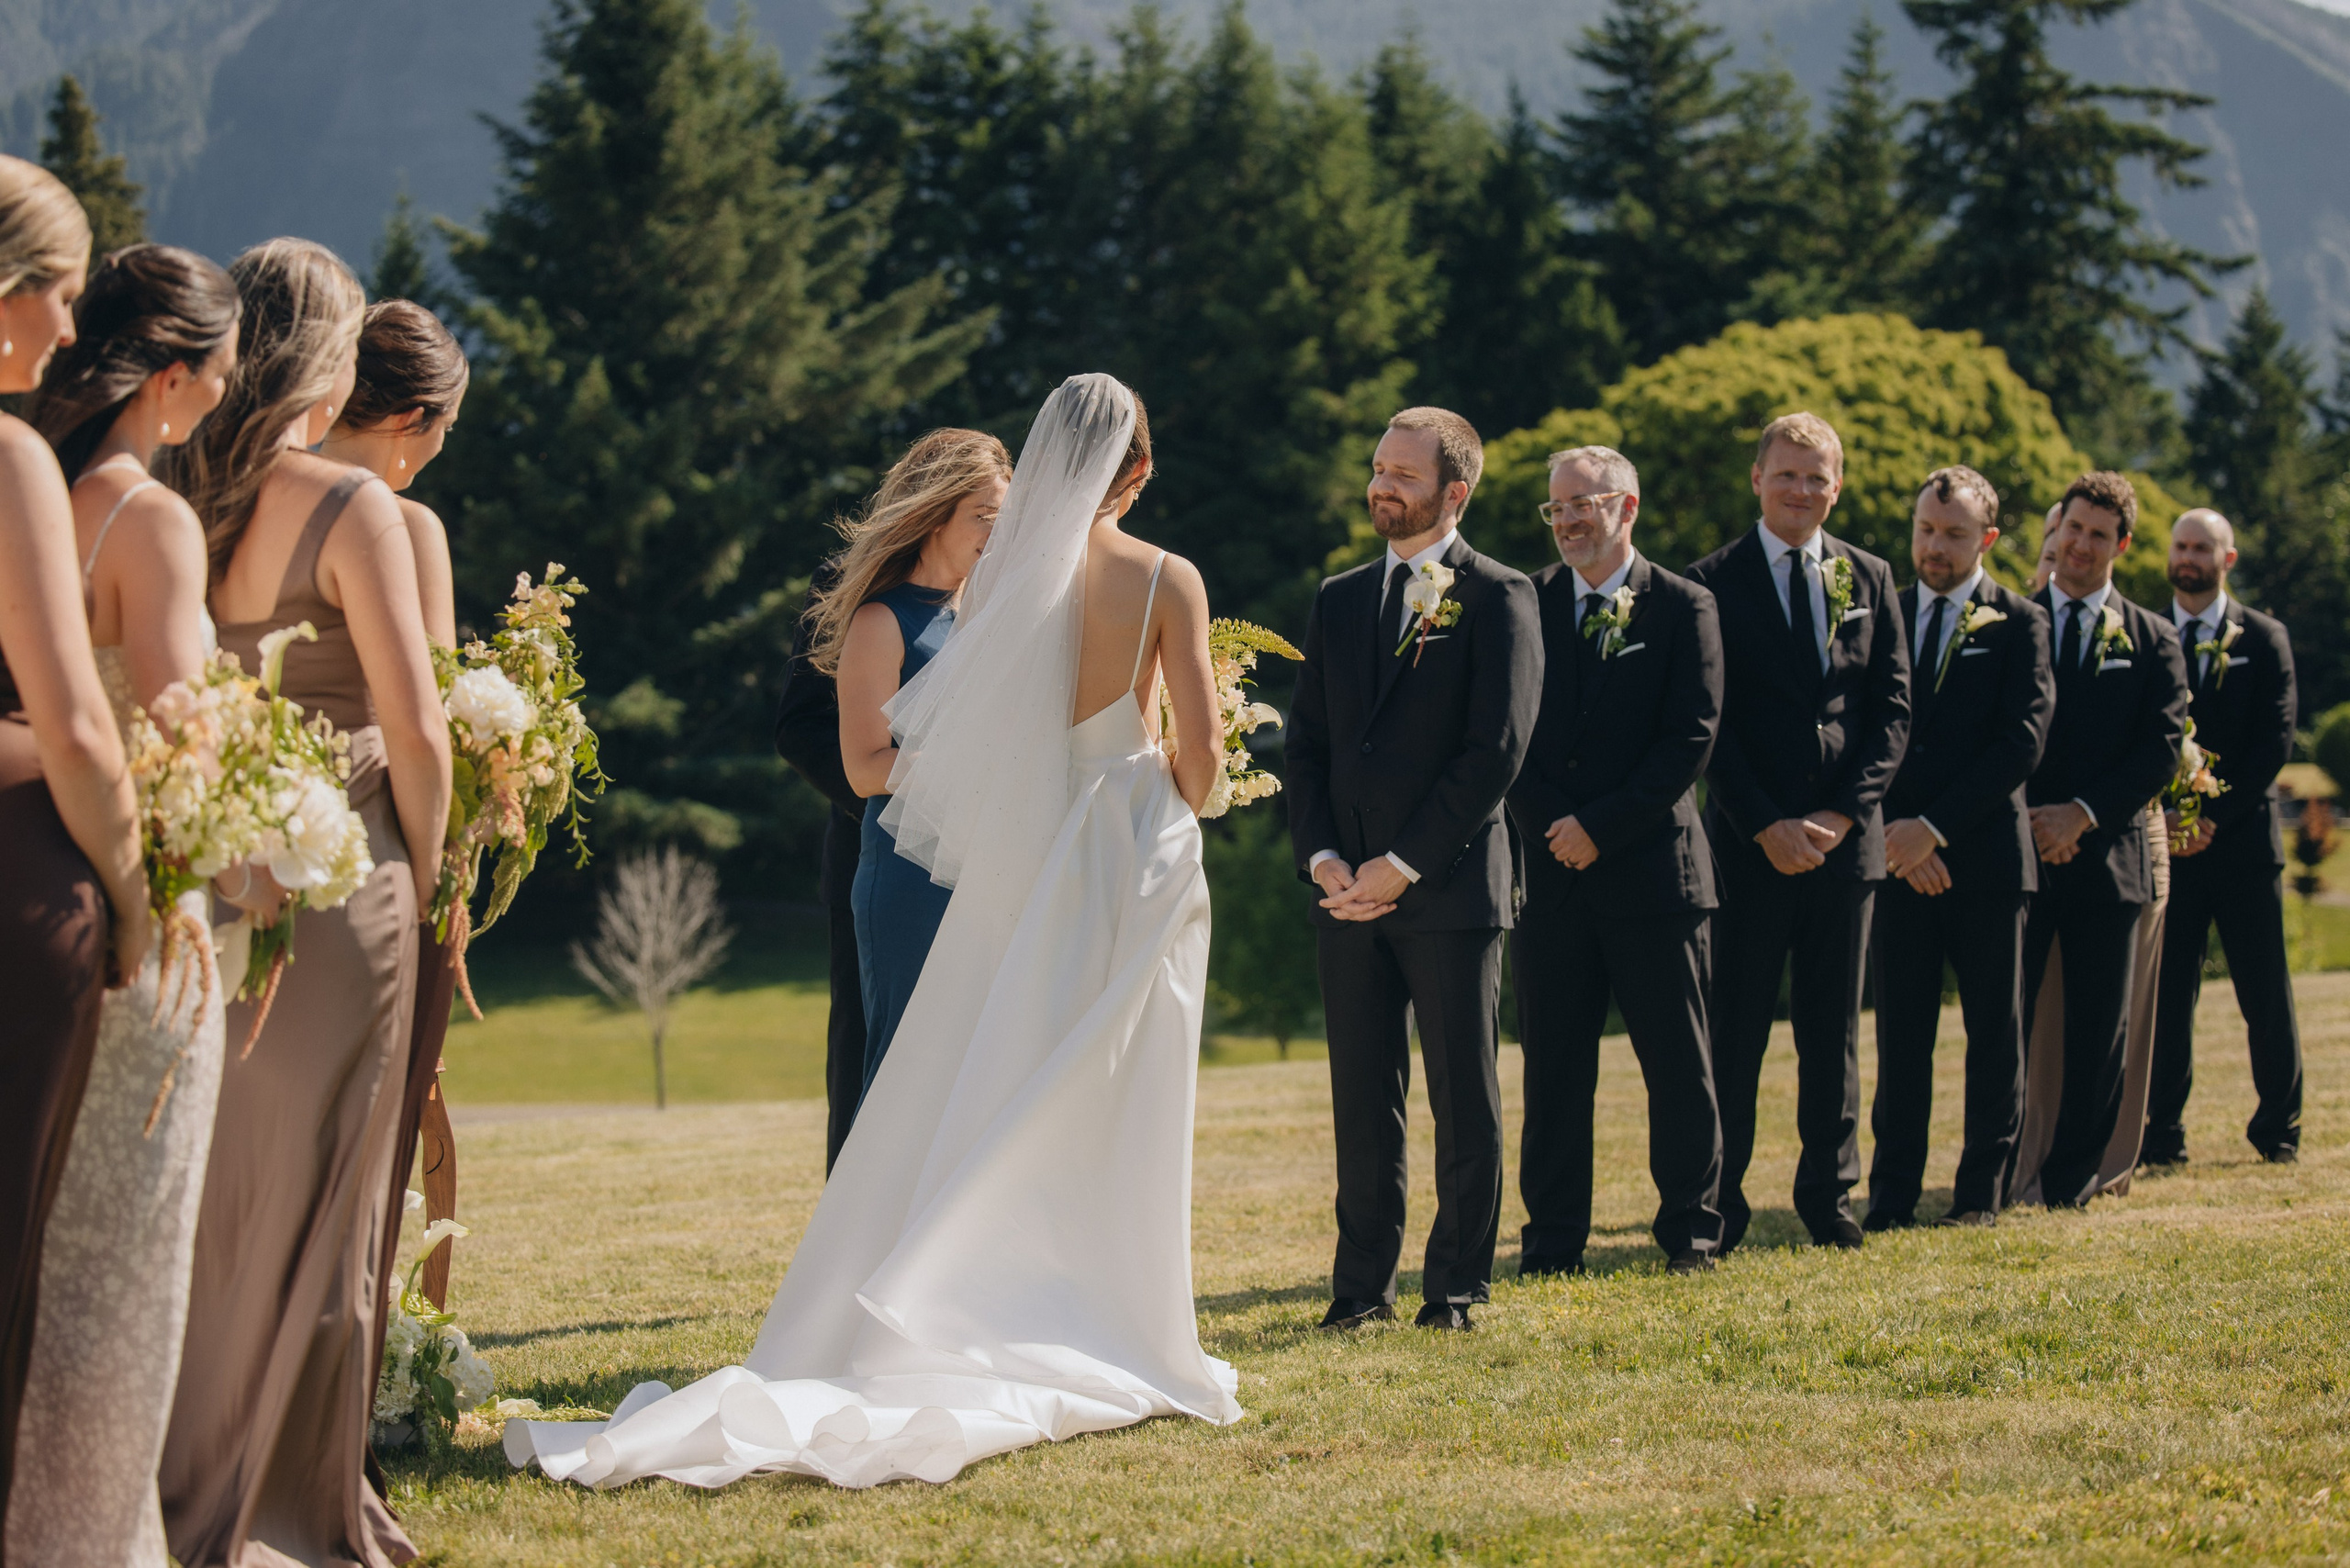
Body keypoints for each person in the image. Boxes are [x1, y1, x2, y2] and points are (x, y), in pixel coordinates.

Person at [508, 372, 1240, 1489]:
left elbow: (980, 739)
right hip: (1130, 844)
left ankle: (996, 1304)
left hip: (1037, 854)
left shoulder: (1002, 583)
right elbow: (1192, 763)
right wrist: (1209, 765)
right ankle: (1115, 1319)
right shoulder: (1163, 578)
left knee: (1006, 1075)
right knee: (1116, 1085)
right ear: (1136, 473)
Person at [159, 239, 451, 1568]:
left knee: (225, 1204)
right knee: (333, 1204)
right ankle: (291, 1512)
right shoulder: (352, 507)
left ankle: (193, 1478)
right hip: (348, 881)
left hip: (221, 876)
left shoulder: (178, 493)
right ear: (327, 356)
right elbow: (421, 729)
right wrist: (435, 871)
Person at [10, 241, 258, 1567]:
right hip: (120, 898)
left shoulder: (28, 486)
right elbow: (178, 738)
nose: (221, 404)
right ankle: (91, 1539)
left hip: (14, 881)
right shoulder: (145, 519)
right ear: (174, 377)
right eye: (220, 382)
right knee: (119, 1263)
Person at [1287, 406, 1541, 1331]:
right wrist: (1324, 860)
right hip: (1345, 895)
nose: (1381, 485)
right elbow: (1307, 743)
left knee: (1460, 1097)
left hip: (1451, 889)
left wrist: (1400, 865)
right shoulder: (1338, 597)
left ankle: (1458, 1288)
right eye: (1377, 467)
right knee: (1362, 1099)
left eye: (1403, 474)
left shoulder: (1501, 594)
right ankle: (1359, 1291)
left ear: (1454, 493)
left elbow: (1494, 753)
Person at [0, 153, 149, 1563]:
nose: (65, 333)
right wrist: (142, 898)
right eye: (58, 294)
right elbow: (83, 730)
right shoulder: (7, 464)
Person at [1685, 411, 1909, 1254]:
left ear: (1837, 487)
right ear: (1757, 479)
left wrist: (1842, 815)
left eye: (1818, 478)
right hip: (1748, 845)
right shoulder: (1710, 581)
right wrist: (1765, 823)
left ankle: (1828, 1197)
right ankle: (1722, 1203)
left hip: (1845, 844)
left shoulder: (1870, 576)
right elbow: (1709, 722)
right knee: (1735, 1031)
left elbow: (1890, 712)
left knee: (1834, 1032)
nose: (1802, 491)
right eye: (1787, 475)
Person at [1505, 443, 1724, 1276]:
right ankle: (1554, 1242)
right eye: (1554, 508)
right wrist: (1551, 824)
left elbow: (1690, 739)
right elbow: (1505, 732)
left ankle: (1692, 1234)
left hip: (1655, 876)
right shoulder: (1526, 601)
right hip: (1551, 877)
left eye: (1581, 505)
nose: (1565, 521)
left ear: (1626, 508)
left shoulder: (1684, 605)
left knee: (1677, 1066)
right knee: (1554, 1072)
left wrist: (1599, 825)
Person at [320, 297, 471, 1316]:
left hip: (251, 840)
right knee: (406, 1111)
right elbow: (433, 711)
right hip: (376, 843)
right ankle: (395, 1348)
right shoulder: (403, 522)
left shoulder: (231, 494)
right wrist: (448, 873)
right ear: (414, 416)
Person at [1863, 466, 2053, 1231]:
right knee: (1900, 1035)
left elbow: (2021, 743)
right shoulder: (1884, 613)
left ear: (1989, 540)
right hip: (1897, 861)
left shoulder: (2021, 621)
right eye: (1925, 530)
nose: (1934, 548)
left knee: (1994, 1033)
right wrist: (1892, 832)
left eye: (1952, 535)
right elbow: (1866, 729)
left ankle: (1980, 1194)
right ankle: (1891, 1196)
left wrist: (1931, 829)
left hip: (1986, 861)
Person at [807, 429, 1012, 1092]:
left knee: (975, 1080)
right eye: (983, 516)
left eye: (1004, 520)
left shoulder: (983, 616)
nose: (996, 533)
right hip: (907, 882)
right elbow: (866, 768)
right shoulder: (879, 621)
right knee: (909, 1082)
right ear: (933, 514)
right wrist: (980, 761)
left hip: (983, 877)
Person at [2020, 472, 2189, 1208]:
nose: (2080, 545)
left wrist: (2081, 815)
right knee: (2011, 1023)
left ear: (2121, 545)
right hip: (2019, 856)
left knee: (2099, 1030)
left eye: (2098, 534)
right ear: (2055, 532)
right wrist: (2034, 818)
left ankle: (2076, 1177)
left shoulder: (2153, 638)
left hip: (2109, 859)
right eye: (2072, 528)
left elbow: (2160, 748)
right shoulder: (2009, 621)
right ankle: (2003, 1167)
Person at [2144, 508, 2300, 1166]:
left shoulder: (2265, 639)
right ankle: (2162, 1136)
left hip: (2242, 847)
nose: (2189, 557)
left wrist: (2211, 818)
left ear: (2226, 559)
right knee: (2167, 999)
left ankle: (2278, 1130)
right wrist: (2171, 819)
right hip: (2169, 850)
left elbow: (2275, 741)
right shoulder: (2149, 636)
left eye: (2202, 548)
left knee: (2264, 993)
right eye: (2181, 546)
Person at [777, 556, 870, 1171]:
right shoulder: (846, 581)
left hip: (988, 867)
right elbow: (800, 727)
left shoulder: (1004, 572)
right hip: (868, 859)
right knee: (861, 1056)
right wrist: (892, 814)